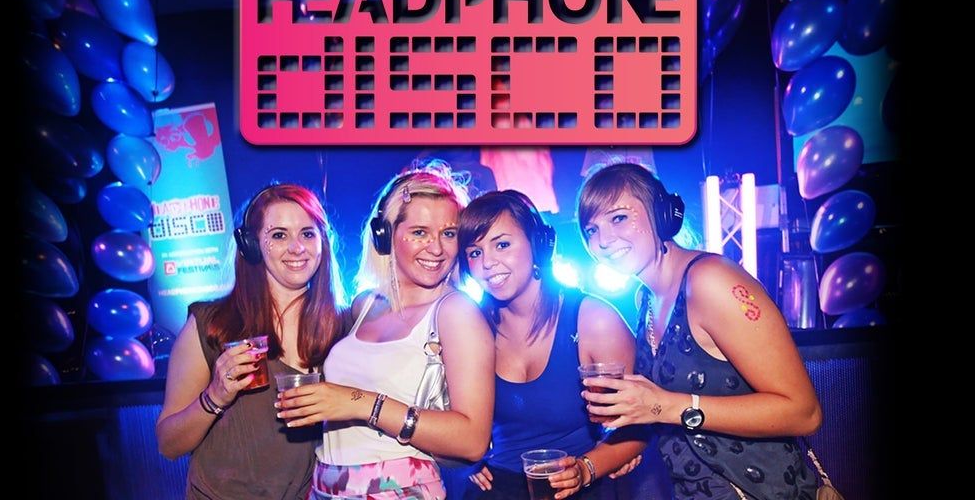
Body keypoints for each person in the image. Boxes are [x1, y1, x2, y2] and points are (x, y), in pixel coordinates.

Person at [577, 163, 822, 500]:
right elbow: (662, 411)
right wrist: (617, 449)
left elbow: (804, 413)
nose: (603, 240)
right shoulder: (645, 299)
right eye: (591, 229)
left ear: (662, 214)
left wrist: (665, 406)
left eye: (618, 218)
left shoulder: (711, 280)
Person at [279, 161, 495, 499]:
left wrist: (358, 403)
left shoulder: (456, 312)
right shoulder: (365, 304)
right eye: (420, 232)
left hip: (397, 488)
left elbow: (472, 440)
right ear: (385, 236)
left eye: (449, 233)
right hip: (327, 484)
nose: (437, 248)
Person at [456, 189, 654, 499]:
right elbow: (448, 414)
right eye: (475, 253)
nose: (488, 263)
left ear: (538, 244)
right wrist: (459, 460)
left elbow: (637, 425)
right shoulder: (469, 326)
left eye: (502, 245)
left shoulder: (592, 319)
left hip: (576, 487)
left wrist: (585, 468)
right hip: (493, 491)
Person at [157, 184, 347, 500]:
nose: (297, 247)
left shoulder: (342, 327)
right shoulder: (212, 324)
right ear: (251, 245)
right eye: (279, 235)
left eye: (307, 234)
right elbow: (168, 444)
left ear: (323, 242)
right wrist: (215, 395)